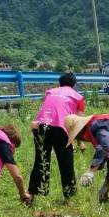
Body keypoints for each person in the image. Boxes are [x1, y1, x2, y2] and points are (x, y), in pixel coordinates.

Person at [28, 72, 86, 201]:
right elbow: (78, 122)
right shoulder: (78, 97)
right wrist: (80, 142)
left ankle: (32, 195)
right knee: (66, 162)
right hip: (61, 129)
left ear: (60, 83)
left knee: (41, 161)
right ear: (74, 84)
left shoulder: (50, 92)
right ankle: (69, 197)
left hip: (41, 126)